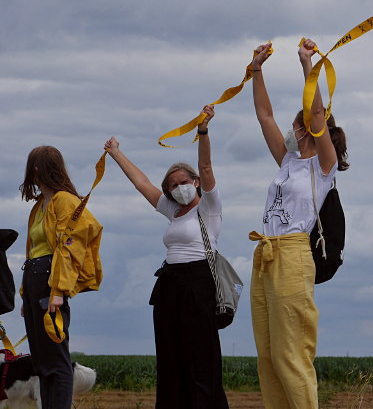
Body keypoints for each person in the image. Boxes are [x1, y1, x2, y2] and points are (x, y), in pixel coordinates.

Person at [104, 105, 228, 409]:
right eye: (173, 186)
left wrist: (202, 131)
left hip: (198, 283)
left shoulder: (208, 207)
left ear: (196, 183)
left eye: (184, 182)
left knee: (200, 358)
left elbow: (207, 166)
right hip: (169, 285)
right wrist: (115, 152)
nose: (179, 188)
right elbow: (142, 183)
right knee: (171, 358)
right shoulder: (173, 210)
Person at [247, 38, 348, 409]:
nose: (290, 128)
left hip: (292, 254)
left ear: (308, 127)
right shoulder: (289, 160)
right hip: (265, 253)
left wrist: (307, 64)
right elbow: (264, 115)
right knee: (269, 356)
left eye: (297, 123)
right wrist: (257, 70)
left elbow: (318, 114)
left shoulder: (323, 165)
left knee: (291, 355)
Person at [20, 145, 103, 409]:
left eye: (36, 165)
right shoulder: (39, 206)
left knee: (56, 361)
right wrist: (26, 295)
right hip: (33, 278)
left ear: (44, 168)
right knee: (41, 362)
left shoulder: (65, 201)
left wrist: (58, 290)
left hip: (49, 279)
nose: (32, 171)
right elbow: (33, 248)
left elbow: (71, 247)